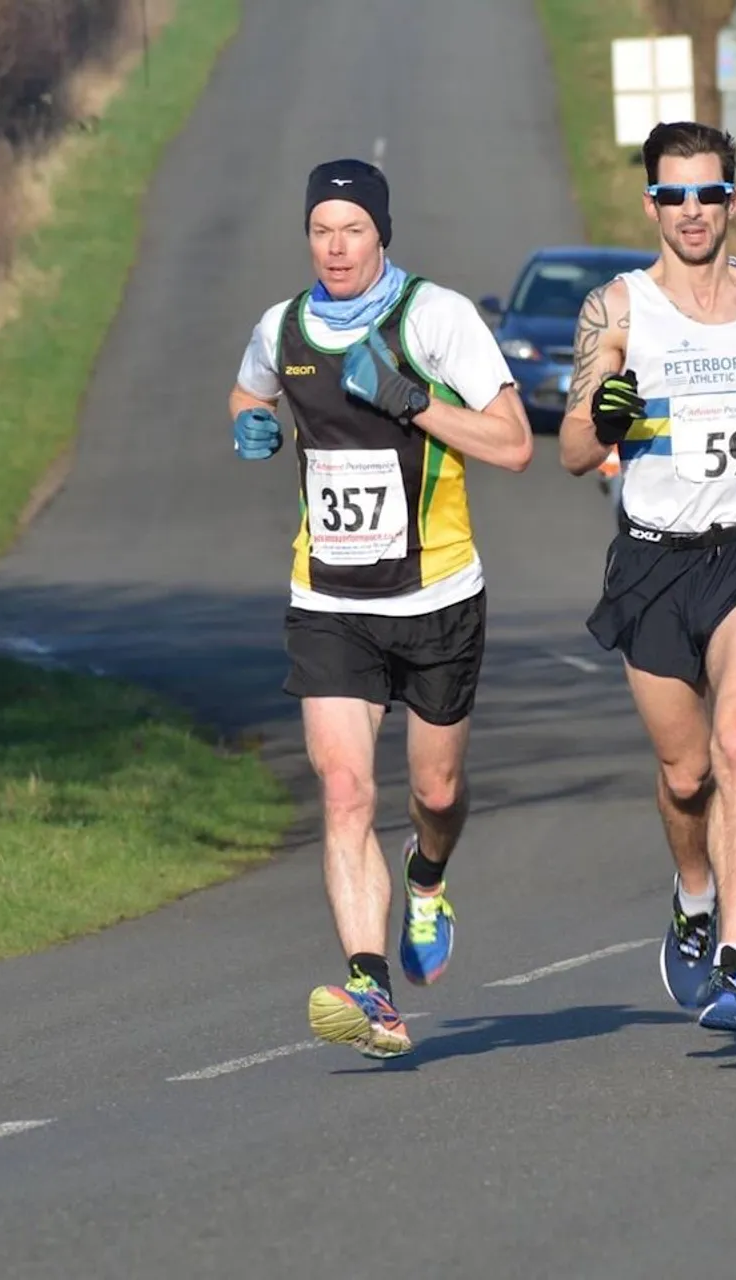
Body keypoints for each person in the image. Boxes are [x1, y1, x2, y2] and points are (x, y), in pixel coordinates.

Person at [227, 158, 534, 1059]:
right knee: (347, 789)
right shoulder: (282, 326)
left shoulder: (435, 320)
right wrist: (253, 423)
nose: (335, 246)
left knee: (434, 792)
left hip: (437, 595)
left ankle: (428, 877)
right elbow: (251, 387)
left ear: (382, 234)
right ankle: (371, 989)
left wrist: (411, 401)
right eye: (321, 229)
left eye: (353, 229)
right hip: (328, 598)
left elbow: (514, 444)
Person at [558, 120, 736, 1034]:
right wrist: (602, 417)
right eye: (674, 194)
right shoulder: (618, 309)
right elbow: (570, 452)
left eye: (708, 193)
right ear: (651, 202)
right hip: (654, 562)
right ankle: (692, 895)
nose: (692, 211)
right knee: (685, 776)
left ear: (734, 199)